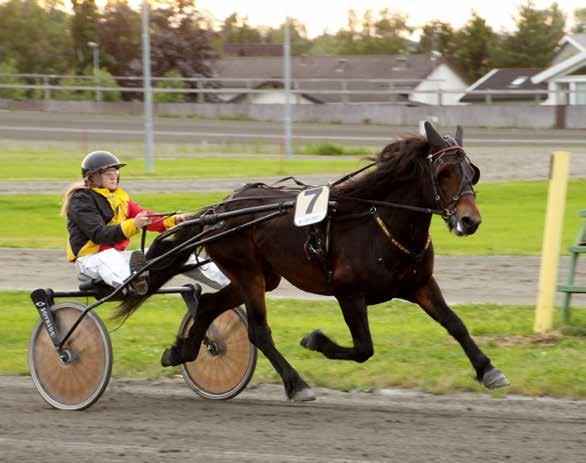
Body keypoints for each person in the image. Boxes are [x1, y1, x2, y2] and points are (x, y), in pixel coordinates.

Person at [61, 150, 192, 295]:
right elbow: (99, 235)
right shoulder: (80, 200)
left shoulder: (120, 198)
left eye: (115, 172)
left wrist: (175, 220)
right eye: (107, 173)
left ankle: (221, 280)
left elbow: (147, 217)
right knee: (109, 256)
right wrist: (134, 224)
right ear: (93, 178)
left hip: (118, 257)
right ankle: (133, 282)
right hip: (90, 261)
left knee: (178, 249)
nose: (114, 176)